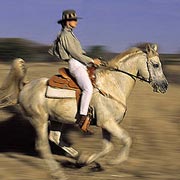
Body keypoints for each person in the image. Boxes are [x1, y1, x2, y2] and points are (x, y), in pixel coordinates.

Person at [49, 9, 101, 133]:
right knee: (88, 88)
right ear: (67, 22)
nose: (76, 21)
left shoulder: (70, 34)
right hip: (76, 64)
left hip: (81, 64)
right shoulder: (65, 35)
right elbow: (75, 53)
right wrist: (91, 61)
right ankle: (82, 117)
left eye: (76, 19)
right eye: (74, 20)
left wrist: (93, 62)